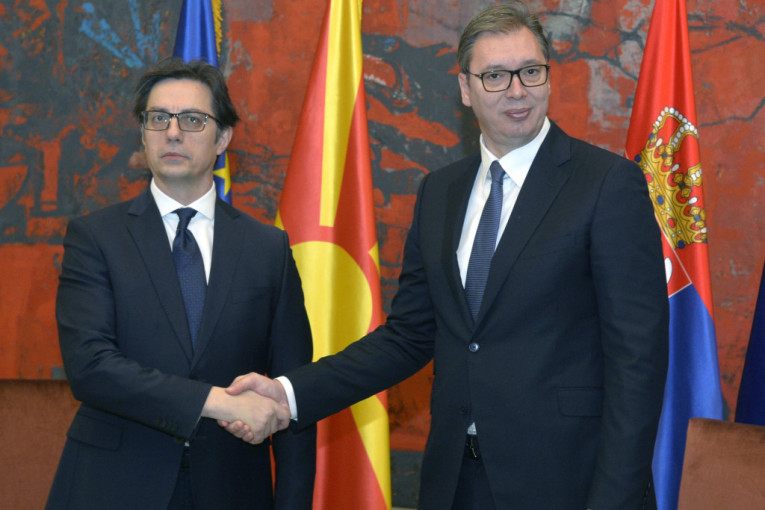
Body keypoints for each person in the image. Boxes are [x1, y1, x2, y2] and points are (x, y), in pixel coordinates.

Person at [226, 2, 669, 509]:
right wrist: (290, 394)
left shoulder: (607, 184)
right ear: (465, 89)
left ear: (548, 77)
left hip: (567, 482)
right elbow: (409, 336)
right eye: (495, 76)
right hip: (455, 480)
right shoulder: (440, 191)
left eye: (530, 71)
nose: (517, 90)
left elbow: (638, 361)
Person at [46, 58, 316, 510]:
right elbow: (91, 368)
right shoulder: (96, 237)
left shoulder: (267, 248)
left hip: (233, 489)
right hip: (114, 485)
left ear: (223, 138)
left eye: (192, 120)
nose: (172, 133)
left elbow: (293, 389)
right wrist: (218, 402)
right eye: (158, 118)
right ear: (143, 133)